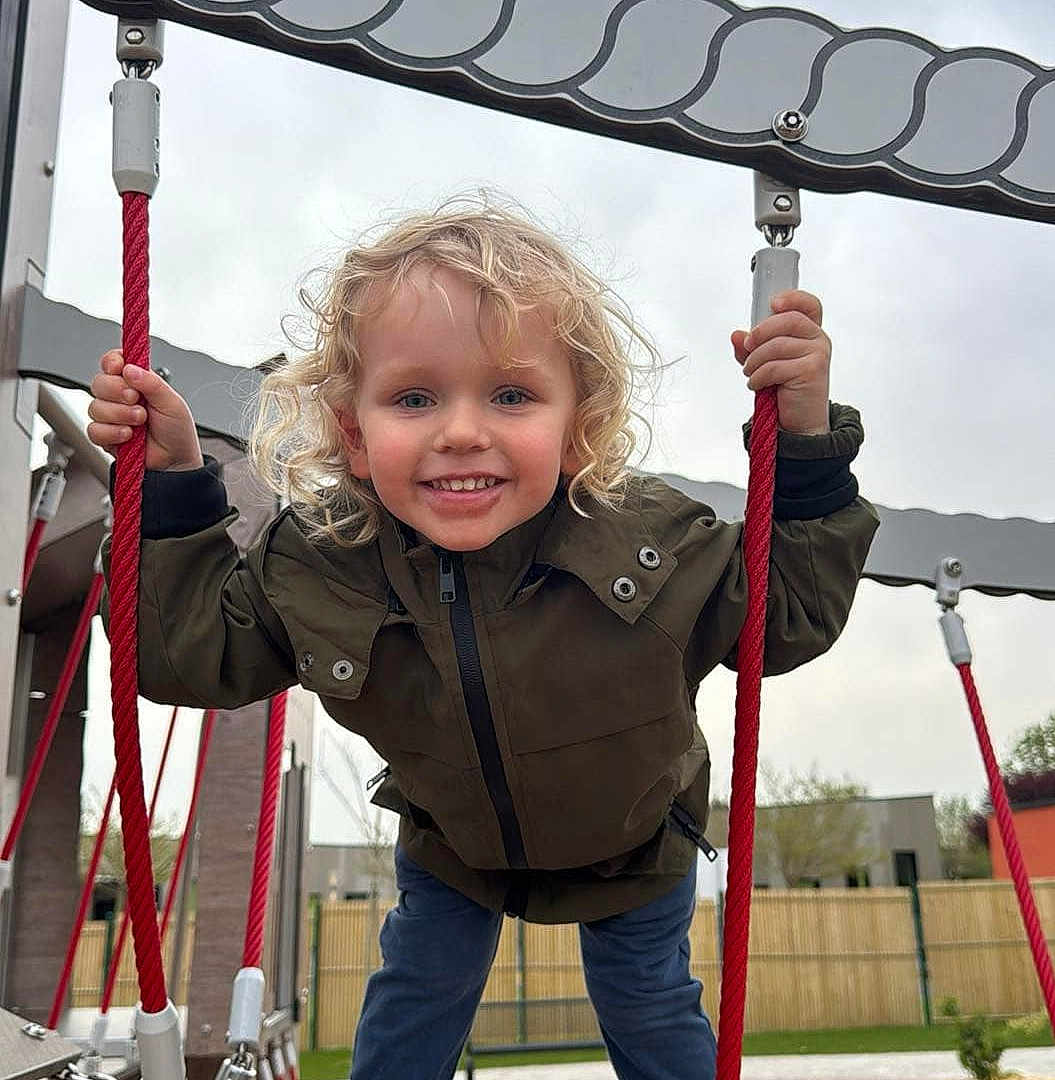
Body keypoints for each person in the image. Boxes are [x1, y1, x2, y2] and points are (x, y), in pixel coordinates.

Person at [88, 197, 878, 1080]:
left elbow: (789, 618)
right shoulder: (324, 563)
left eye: (510, 394)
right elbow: (185, 658)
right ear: (354, 433)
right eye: (414, 397)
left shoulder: (648, 540)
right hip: (454, 848)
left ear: (576, 425)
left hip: (634, 840)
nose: (462, 431)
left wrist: (805, 440)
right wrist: (172, 493)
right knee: (410, 1009)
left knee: (652, 1013)